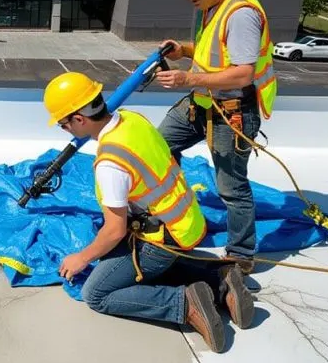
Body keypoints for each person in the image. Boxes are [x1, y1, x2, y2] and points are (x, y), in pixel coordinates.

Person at [44, 71, 255, 353]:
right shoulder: (132, 119)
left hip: (162, 238)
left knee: (96, 293)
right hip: (185, 218)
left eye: (62, 123)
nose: (65, 129)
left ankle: (184, 303)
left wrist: (81, 258)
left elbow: (115, 230)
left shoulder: (110, 163)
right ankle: (219, 279)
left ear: (79, 119)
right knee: (126, 267)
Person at [154, 0, 278, 274]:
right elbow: (214, 52)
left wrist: (186, 80)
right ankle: (173, 218)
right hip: (202, 102)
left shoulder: (241, 14)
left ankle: (240, 255)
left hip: (232, 111)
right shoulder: (213, 6)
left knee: (231, 187)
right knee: (157, 149)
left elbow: (243, 73)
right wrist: (183, 49)